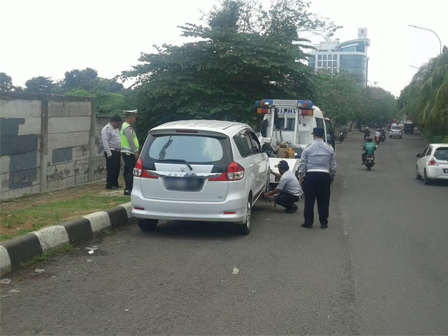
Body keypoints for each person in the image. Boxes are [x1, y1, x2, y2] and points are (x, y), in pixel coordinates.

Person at [298, 127, 337, 229]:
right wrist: (332, 176)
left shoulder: (308, 148)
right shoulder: (329, 148)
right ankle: (323, 223)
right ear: (323, 136)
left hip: (310, 176)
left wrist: (301, 176)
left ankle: (308, 223)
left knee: (309, 200)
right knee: (323, 200)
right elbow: (333, 165)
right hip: (324, 176)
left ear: (313, 135)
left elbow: (303, 164)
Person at [120, 109, 139, 196]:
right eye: (134, 117)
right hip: (129, 152)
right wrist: (135, 152)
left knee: (128, 170)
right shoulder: (127, 127)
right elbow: (130, 140)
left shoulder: (124, 126)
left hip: (126, 152)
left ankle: (128, 188)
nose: (135, 119)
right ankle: (129, 188)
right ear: (130, 117)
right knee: (131, 170)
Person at [101, 115, 122, 189]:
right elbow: (105, 142)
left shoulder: (115, 129)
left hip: (117, 151)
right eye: (118, 124)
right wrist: (108, 153)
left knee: (117, 168)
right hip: (111, 151)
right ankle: (109, 184)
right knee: (111, 168)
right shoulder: (106, 129)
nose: (118, 125)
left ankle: (115, 183)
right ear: (113, 122)